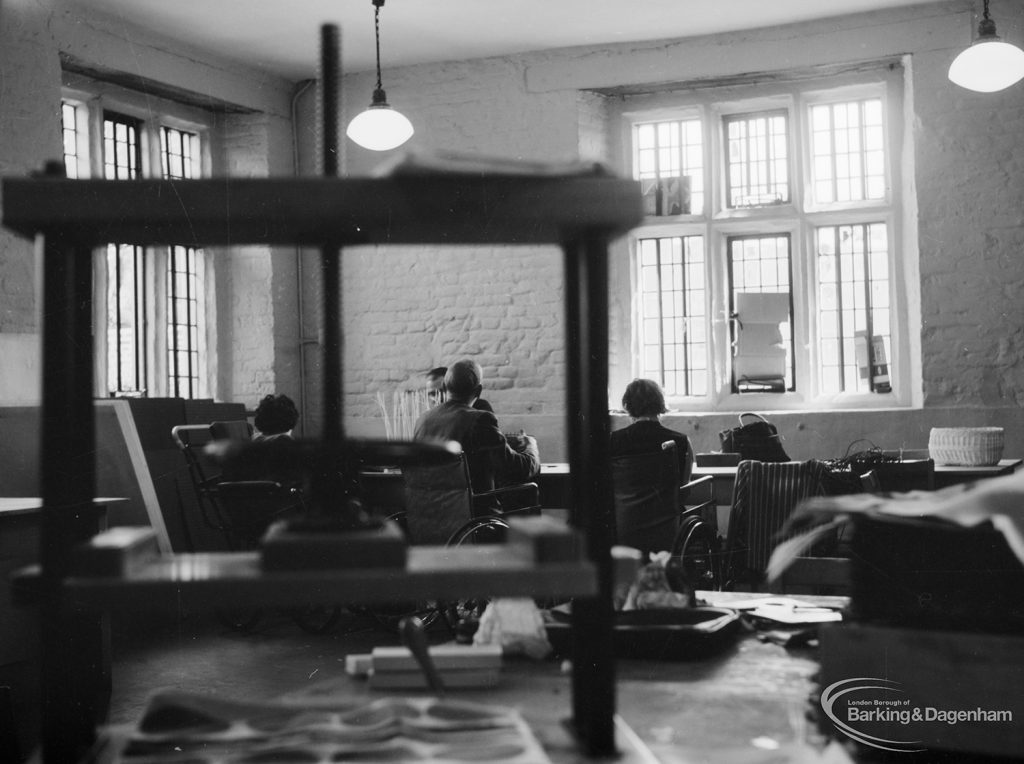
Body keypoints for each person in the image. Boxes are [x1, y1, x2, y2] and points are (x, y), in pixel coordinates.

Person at [414, 359, 538, 493]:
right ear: (478, 391)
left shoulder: (422, 420)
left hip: (429, 510)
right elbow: (518, 469)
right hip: (475, 510)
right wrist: (531, 445)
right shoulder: (481, 419)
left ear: (445, 386)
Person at [609, 378, 692, 483]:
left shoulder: (612, 440)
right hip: (666, 500)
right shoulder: (682, 441)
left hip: (622, 500)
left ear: (627, 405)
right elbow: (684, 485)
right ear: (660, 403)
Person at [426, 366, 493, 412]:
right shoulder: (428, 419)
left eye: (443, 391)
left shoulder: (479, 407)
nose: (439, 398)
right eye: (433, 394)